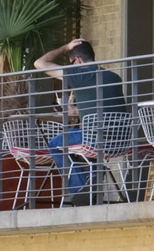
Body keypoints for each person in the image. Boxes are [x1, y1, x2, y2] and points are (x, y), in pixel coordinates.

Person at [32, 36, 127, 199]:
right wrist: (75, 110)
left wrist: (66, 47)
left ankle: (79, 188)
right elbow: (104, 109)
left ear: (78, 60)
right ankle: (90, 181)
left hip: (97, 140)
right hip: (121, 142)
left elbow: (39, 63)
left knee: (55, 143)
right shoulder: (114, 77)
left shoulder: (81, 75)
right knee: (83, 137)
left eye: (71, 63)